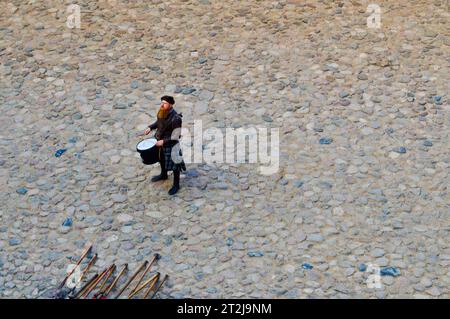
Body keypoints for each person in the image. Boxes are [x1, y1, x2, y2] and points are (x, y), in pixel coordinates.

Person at [144, 95, 186, 195]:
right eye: (162, 102)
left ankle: (176, 184)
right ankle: (164, 175)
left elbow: (176, 135)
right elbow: (159, 122)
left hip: (171, 144)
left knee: (175, 165)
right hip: (159, 141)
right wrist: (151, 127)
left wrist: (164, 141)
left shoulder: (176, 118)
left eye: (165, 103)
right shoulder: (162, 111)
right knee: (161, 159)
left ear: (171, 104)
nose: (162, 105)